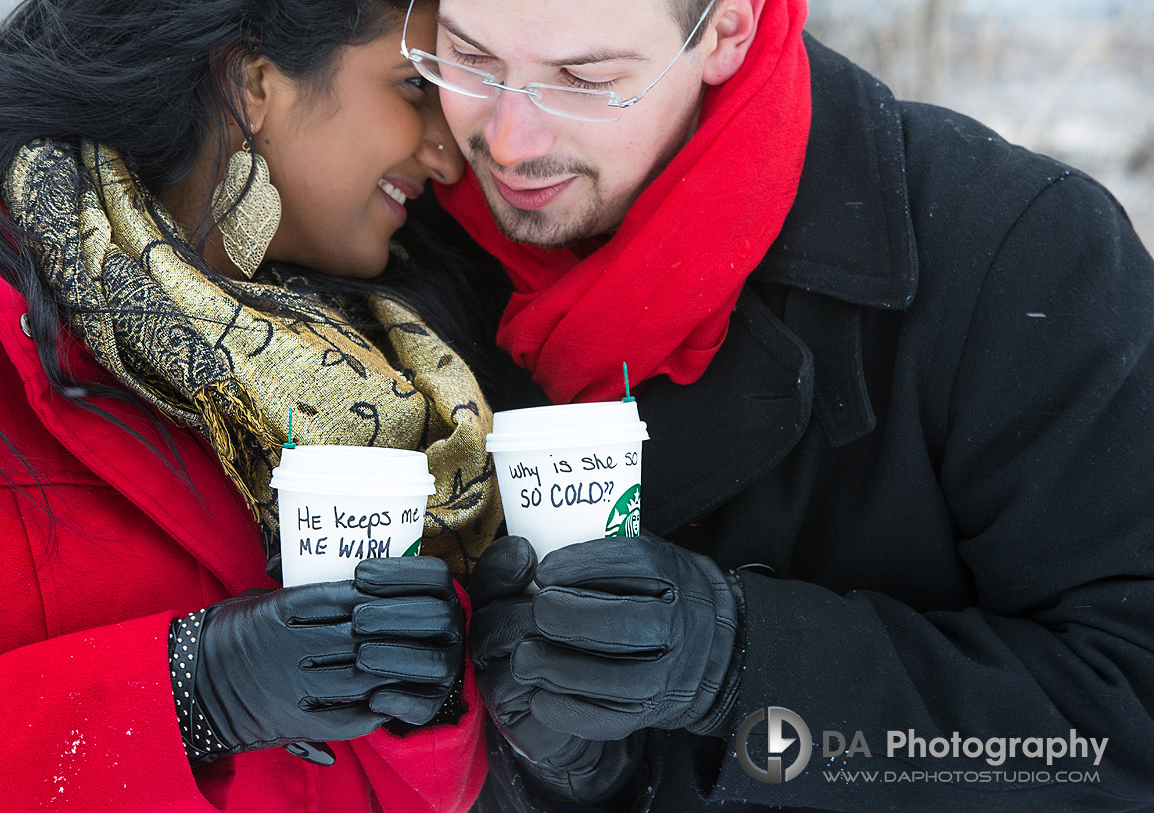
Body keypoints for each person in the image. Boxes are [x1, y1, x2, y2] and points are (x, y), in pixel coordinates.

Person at [404, 0, 1154, 809]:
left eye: (585, 80)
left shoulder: (1016, 253)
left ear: (725, 30)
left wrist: (748, 665)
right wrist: (571, 769)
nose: (511, 140)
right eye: (470, 58)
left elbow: (1123, 724)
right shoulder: (393, 249)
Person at [0, 0, 503, 810]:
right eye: (415, 88)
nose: (450, 156)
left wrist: (430, 691)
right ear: (252, 81)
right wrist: (185, 699)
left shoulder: (382, 369)